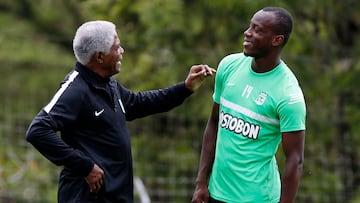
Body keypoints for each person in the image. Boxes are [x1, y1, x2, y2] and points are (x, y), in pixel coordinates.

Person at [25, 20, 216, 203]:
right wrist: (85, 166)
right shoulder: (75, 90)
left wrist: (185, 88)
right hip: (85, 197)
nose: (122, 51)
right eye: (116, 47)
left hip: (116, 196)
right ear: (100, 56)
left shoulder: (108, 84)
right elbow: (37, 130)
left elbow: (140, 103)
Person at [191, 7, 306, 203]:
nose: (247, 32)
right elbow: (213, 123)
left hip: (258, 198)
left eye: (258, 30)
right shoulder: (228, 66)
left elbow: (295, 160)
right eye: (250, 26)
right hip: (216, 193)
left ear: (276, 40)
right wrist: (201, 183)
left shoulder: (288, 95)